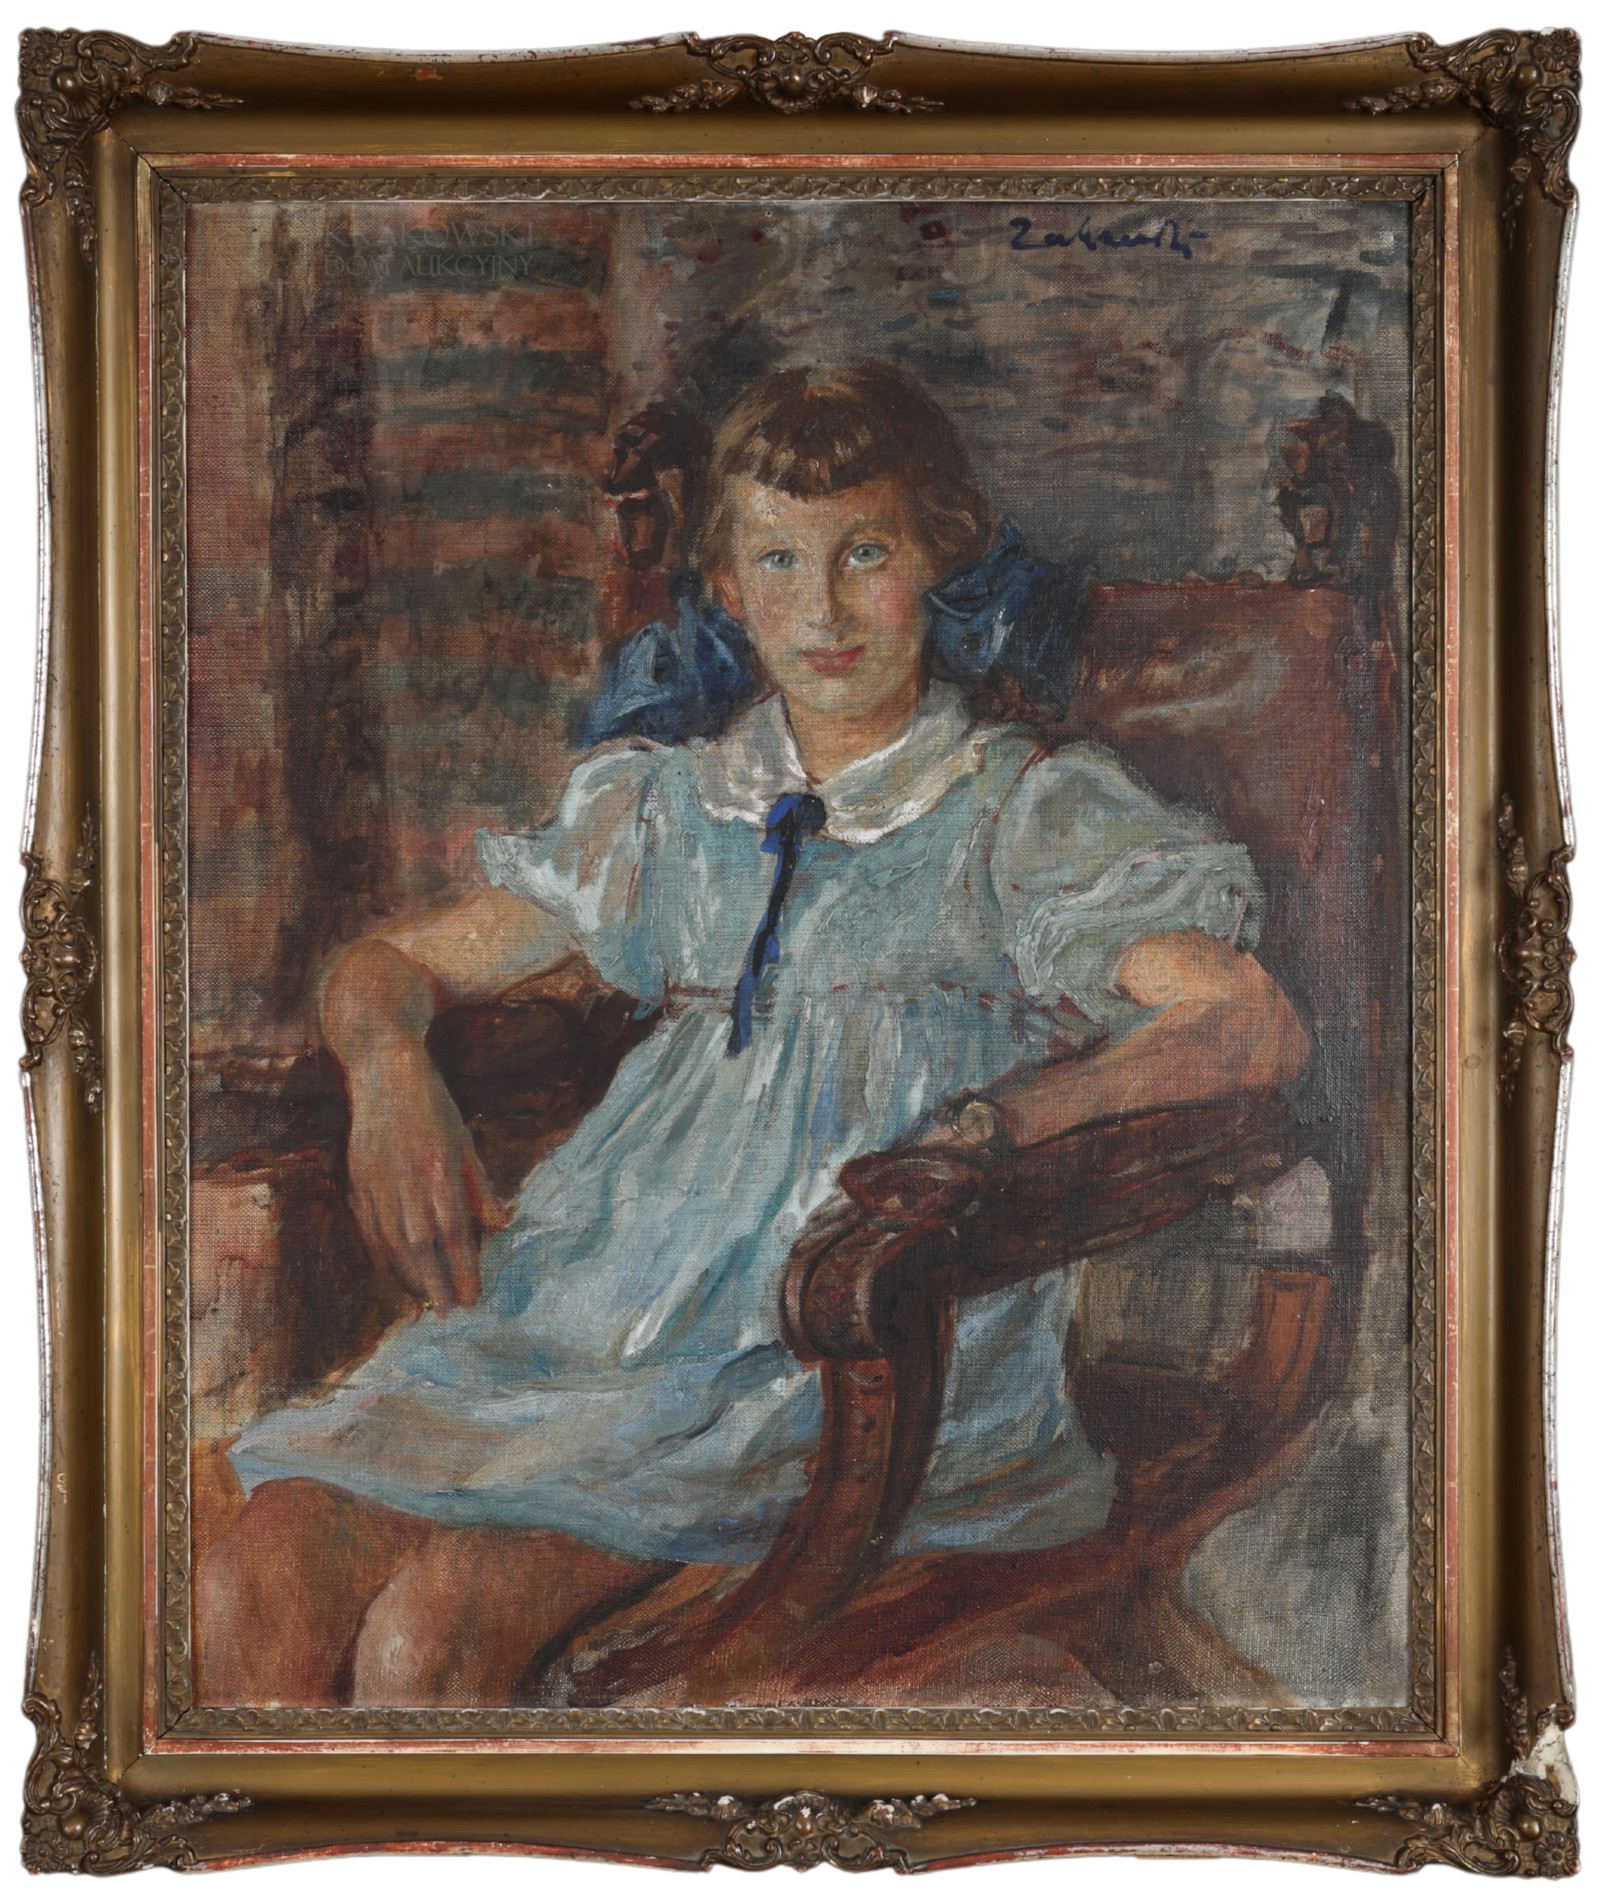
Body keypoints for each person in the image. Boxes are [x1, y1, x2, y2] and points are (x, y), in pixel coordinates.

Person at [198, 363, 1310, 1709]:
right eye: (780, 561)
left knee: (427, 1643)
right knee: (247, 1585)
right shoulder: (673, 812)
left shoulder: (1020, 813)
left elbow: (1244, 1025)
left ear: (937, 561)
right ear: (726, 586)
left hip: (843, 1349)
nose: (824, 609)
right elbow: (386, 968)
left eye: (866, 554)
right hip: (590, 1322)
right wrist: (388, 1071)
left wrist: (999, 1125)